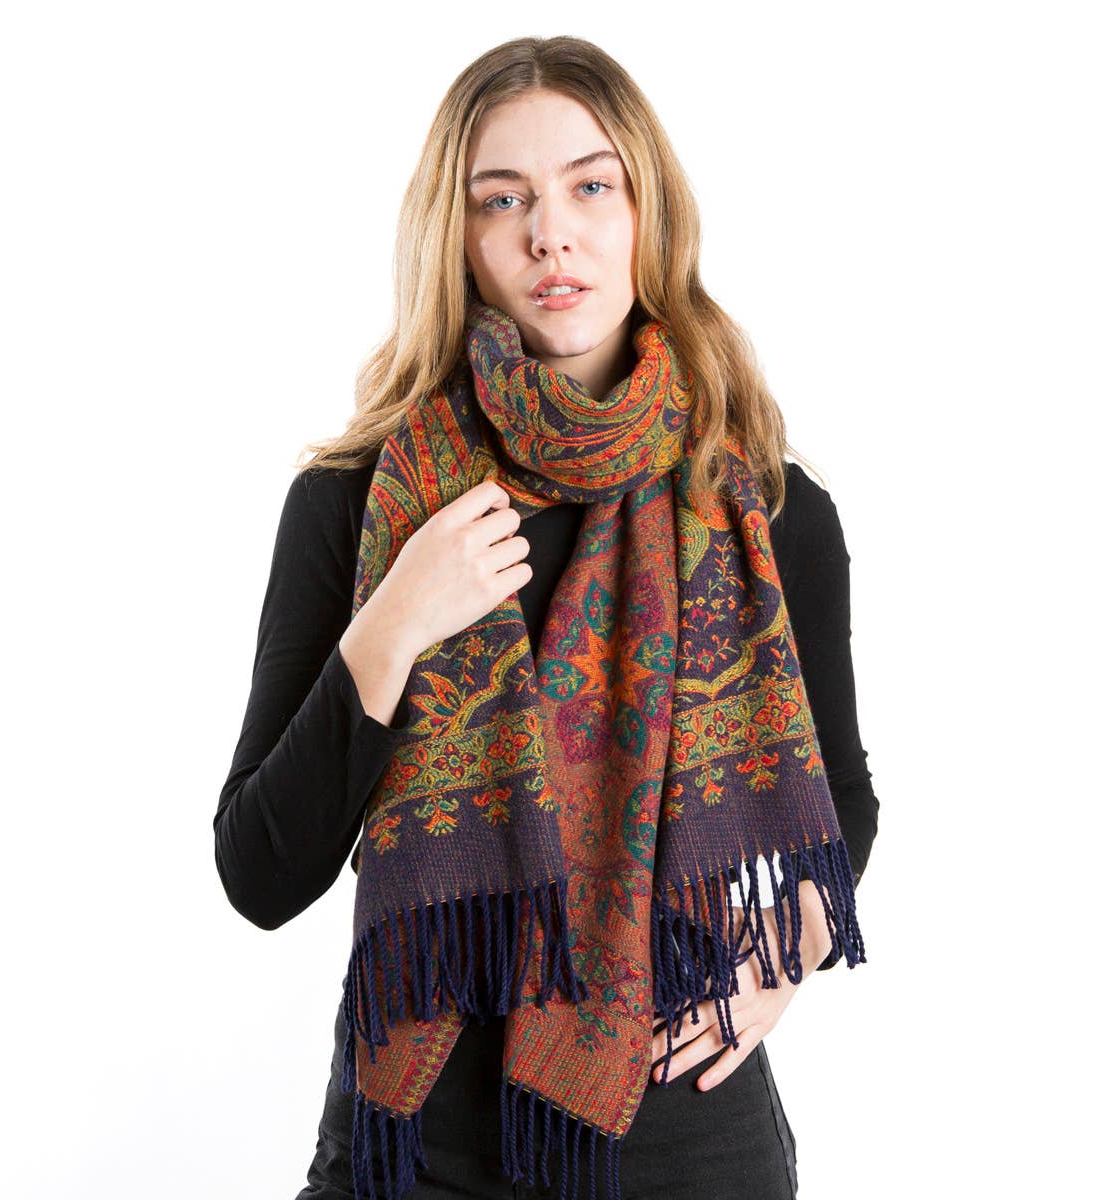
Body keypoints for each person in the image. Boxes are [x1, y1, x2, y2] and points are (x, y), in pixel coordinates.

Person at [214, 35, 879, 1200]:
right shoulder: (362, 501)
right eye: (503, 198)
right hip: (418, 1146)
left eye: (590, 186)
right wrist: (396, 620)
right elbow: (261, 872)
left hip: (687, 1135)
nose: (550, 234)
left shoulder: (757, 505)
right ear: (458, 236)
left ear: (647, 212)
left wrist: (786, 957)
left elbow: (841, 804)